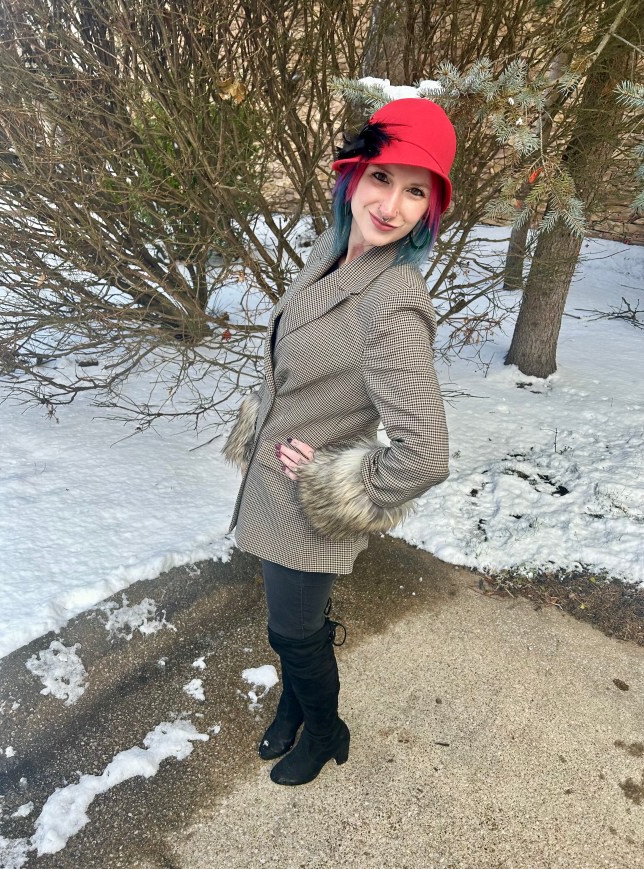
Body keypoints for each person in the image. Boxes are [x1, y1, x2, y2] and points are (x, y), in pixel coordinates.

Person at [222, 98, 456, 787]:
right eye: (382, 177)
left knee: (293, 631)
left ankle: (326, 732)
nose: (391, 205)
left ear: (431, 208)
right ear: (354, 175)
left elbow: (426, 453)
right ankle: (293, 707)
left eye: (416, 192)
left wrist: (337, 481)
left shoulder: (393, 301)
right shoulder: (332, 249)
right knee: (294, 622)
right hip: (271, 484)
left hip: (307, 506)